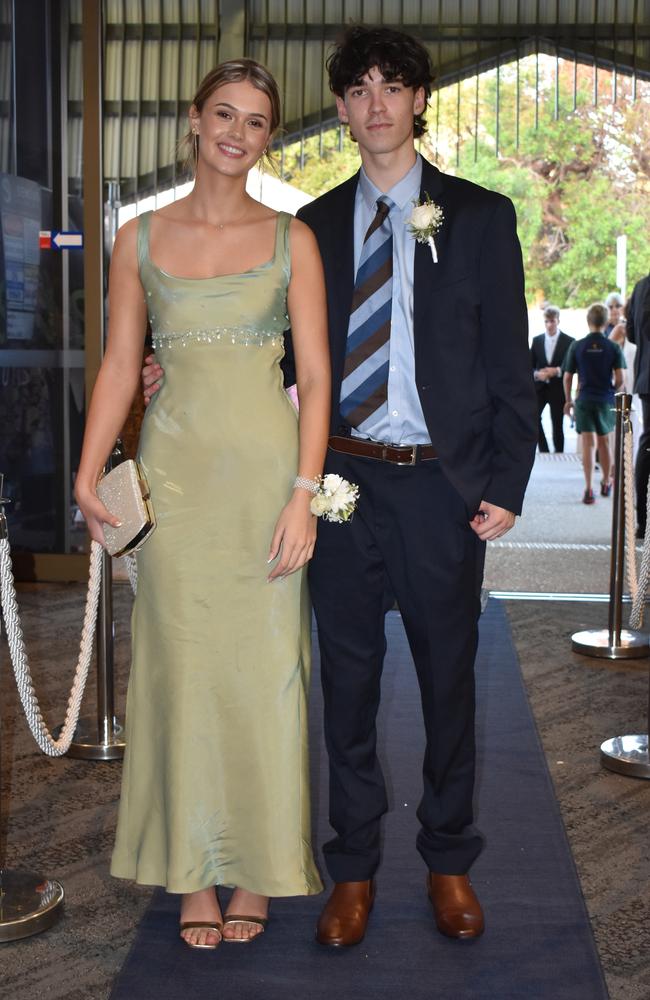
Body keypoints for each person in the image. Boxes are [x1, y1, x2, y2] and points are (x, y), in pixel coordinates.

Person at [145, 25, 537, 945]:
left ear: (418, 100)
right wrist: (178, 372)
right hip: (339, 485)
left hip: (442, 486)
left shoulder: (480, 217)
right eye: (357, 89)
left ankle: (448, 863)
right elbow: (269, 349)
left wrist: (508, 478)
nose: (375, 105)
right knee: (347, 689)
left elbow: (509, 365)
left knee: (450, 686)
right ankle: (352, 869)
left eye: (391, 87)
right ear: (344, 109)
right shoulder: (309, 226)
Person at [74, 59, 331, 951]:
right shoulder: (138, 237)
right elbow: (117, 364)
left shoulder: (293, 239)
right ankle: (191, 873)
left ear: (268, 137)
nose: (238, 131)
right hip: (176, 484)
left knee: (266, 676)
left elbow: (319, 377)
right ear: (193, 119)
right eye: (224, 113)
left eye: (257, 121)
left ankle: (258, 865)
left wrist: (304, 495)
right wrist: (88, 465)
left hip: (265, 482)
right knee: (181, 675)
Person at [563, 303, 625, 504]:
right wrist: (612, 390)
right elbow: (620, 379)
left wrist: (568, 400)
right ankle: (606, 482)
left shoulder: (577, 346)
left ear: (588, 321)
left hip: (584, 399)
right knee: (604, 442)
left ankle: (589, 489)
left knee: (588, 445)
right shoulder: (613, 347)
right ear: (606, 321)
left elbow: (567, 377)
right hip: (604, 399)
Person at [530, 305, 574, 452]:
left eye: (552, 321)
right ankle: (544, 450)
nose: (549, 325)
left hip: (557, 388)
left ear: (558, 321)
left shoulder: (569, 341)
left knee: (557, 424)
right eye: (546, 321)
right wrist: (538, 374)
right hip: (540, 388)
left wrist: (556, 371)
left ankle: (559, 452)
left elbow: (571, 366)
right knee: (533, 418)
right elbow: (529, 366)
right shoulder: (537, 341)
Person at [626, 271, 650, 537]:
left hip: (645, 376)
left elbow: (632, 333)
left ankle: (643, 520)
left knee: (647, 445)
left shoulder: (641, 286)